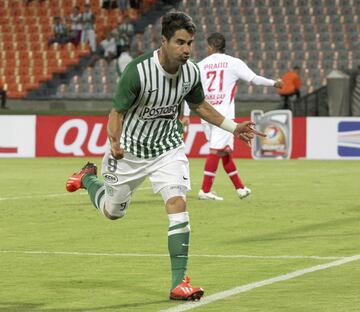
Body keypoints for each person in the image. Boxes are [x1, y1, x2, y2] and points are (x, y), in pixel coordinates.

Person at [66, 12, 265, 301]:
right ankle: (88, 179)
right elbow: (117, 112)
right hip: (130, 152)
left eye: (190, 43)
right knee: (112, 212)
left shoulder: (192, 72)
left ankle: (178, 283)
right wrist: (115, 142)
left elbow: (201, 106)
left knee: (177, 202)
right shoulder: (138, 71)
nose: (186, 49)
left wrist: (234, 128)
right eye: (180, 43)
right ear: (163, 41)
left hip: (167, 149)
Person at [183, 32, 283, 200]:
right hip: (224, 116)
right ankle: (205, 191)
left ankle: (240, 188)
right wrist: (274, 83)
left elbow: (188, 90)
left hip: (206, 114)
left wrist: (186, 114)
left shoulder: (199, 65)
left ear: (209, 47)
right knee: (217, 150)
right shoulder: (233, 63)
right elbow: (254, 79)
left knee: (223, 151)